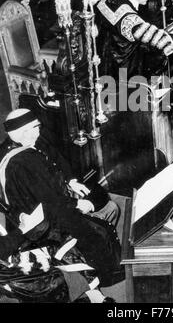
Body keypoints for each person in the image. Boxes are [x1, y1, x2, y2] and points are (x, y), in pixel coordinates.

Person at [0, 109, 124, 290]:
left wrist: (71, 180)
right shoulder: (24, 163)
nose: (39, 131)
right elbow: (50, 202)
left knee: (99, 196)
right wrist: (79, 204)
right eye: (36, 127)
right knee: (103, 221)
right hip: (43, 220)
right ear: (25, 131)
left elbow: (57, 156)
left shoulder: (25, 141)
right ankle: (106, 274)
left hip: (49, 199)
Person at [0, 205, 114, 303]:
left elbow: (9, 210)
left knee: (57, 241)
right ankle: (92, 294)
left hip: (10, 248)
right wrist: (20, 230)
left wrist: (21, 217)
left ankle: (94, 294)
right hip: (6, 271)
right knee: (52, 268)